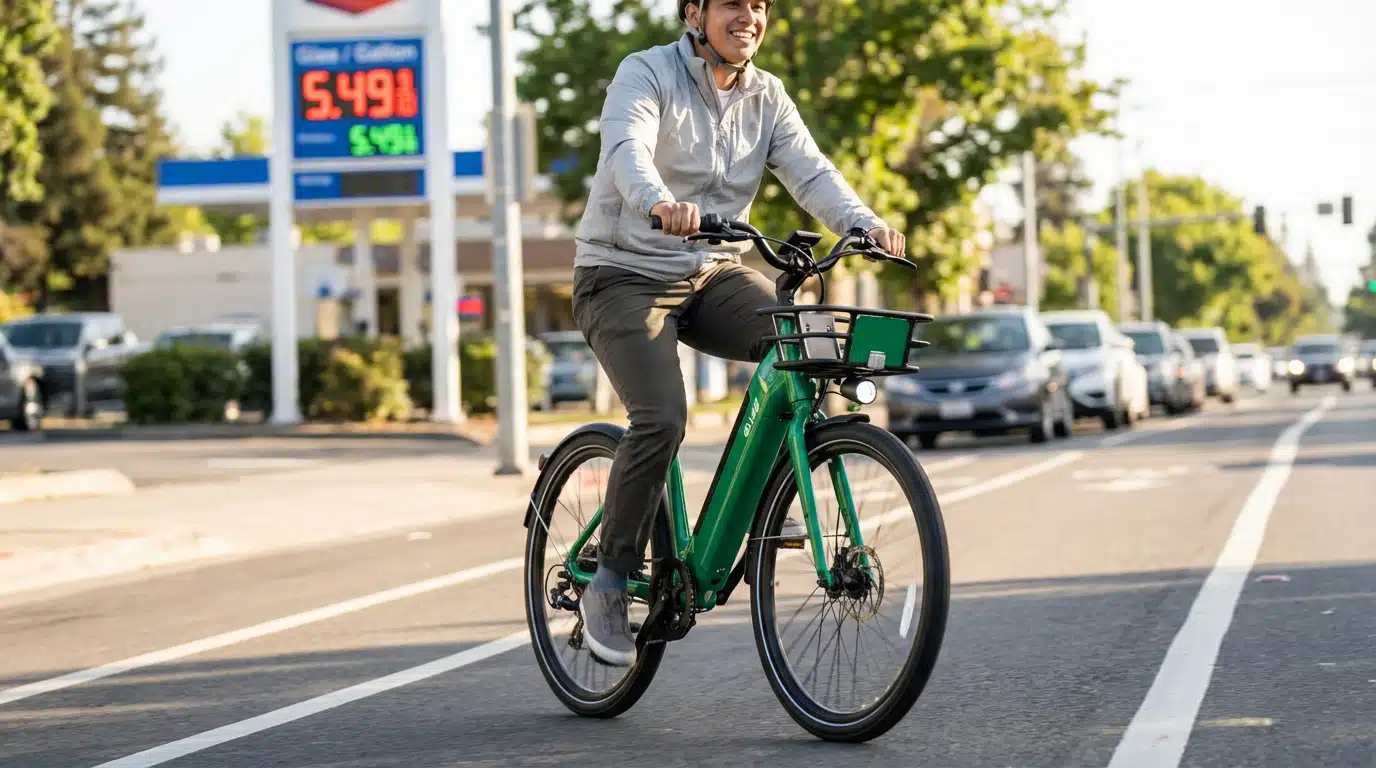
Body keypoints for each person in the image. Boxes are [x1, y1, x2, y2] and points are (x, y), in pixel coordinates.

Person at [570, 0, 908, 667]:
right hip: (622, 273)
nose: (748, 16)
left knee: (808, 343)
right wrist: (656, 202)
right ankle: (609, 578)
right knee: (663, 417)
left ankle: (777, 495)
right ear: (695, 12)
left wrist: (863, 224)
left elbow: (812, 171)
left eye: (759, 5)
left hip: (711, 273)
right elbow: (626, 149)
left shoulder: (767, 95)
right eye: (732, 3)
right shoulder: (646, 73)